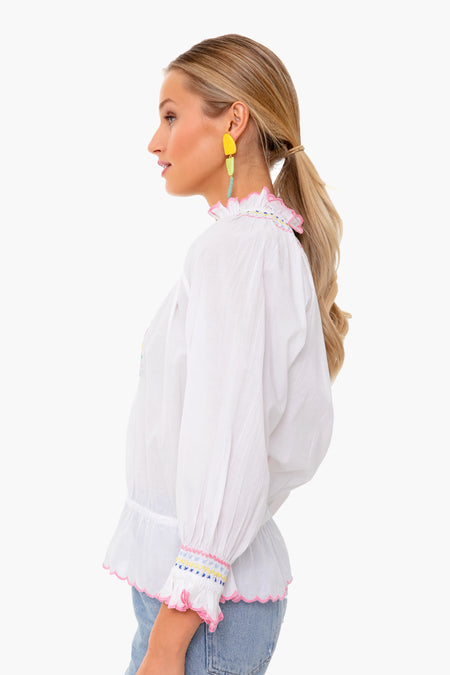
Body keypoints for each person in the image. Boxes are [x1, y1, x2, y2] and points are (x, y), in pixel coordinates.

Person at [103, 34, 351, 675]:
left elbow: (229, 444)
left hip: (199, 614)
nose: (154, 142)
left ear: (234, 120)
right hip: (194, 600)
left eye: (170, 116)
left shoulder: (241, 252)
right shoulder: (250, 245)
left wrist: (168, 640)